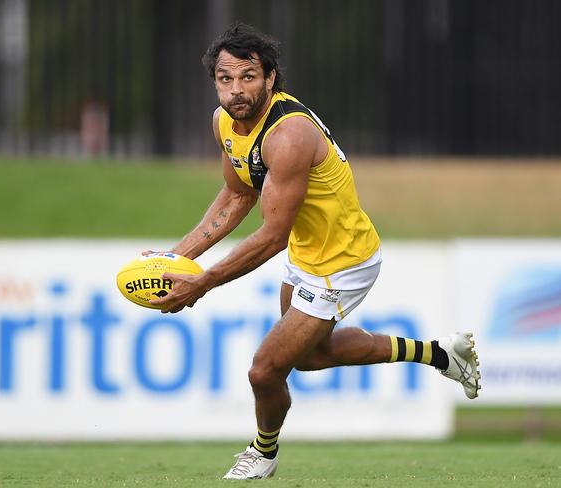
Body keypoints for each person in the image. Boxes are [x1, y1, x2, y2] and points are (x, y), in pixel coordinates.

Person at [149, 23, 480, 480]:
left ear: (270, 77)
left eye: (247, 76)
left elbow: (272, 235)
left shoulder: (290, 135)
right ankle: (443, 356)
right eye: (225, 79)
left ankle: (262, 454)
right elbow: (236, 195)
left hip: (343, 261)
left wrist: (202, 282)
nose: (235, 89)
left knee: (264, 371)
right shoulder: (225, 122)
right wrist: (174, 258)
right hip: (309, 252)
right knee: (307, 358)